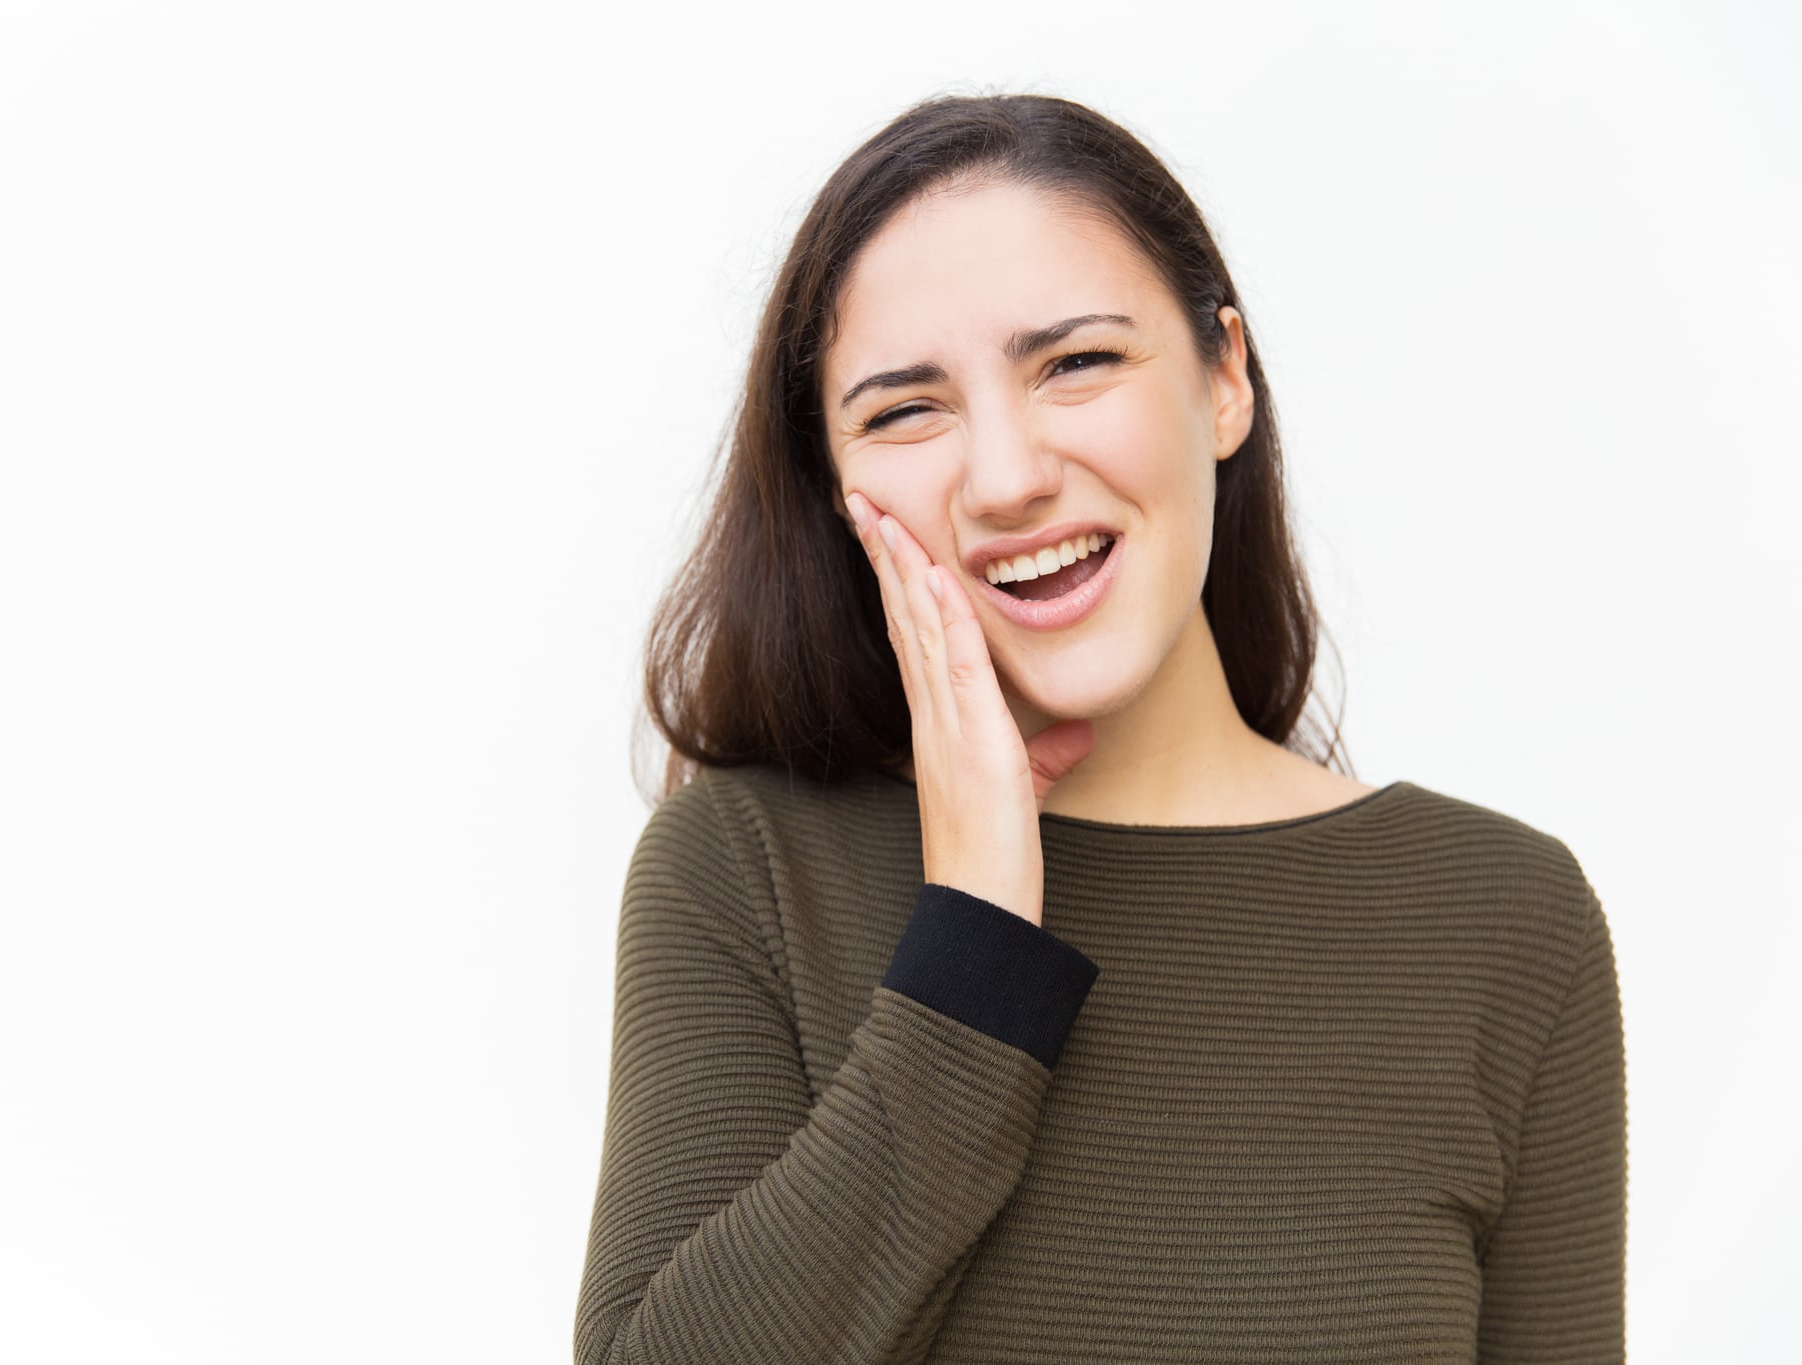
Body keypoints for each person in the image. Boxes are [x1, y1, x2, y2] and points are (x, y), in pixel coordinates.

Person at [574, 92, 1626, 1363]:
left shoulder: (1498, 916)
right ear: (834, 488)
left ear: (1223, 378)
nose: (1008, 475)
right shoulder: (743, 869)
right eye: (904, 410)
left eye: (1074, 363)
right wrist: (969, 942)